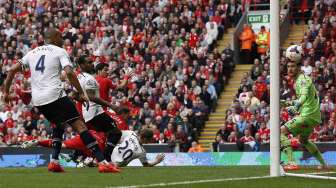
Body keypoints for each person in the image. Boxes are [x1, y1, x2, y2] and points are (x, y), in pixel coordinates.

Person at [3, 28, 118, 173]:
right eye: (61, 37)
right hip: (54, 95)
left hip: (38, 100)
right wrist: (81, 93)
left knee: (59, 124)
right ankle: (103, 162)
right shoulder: (59, 51)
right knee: (80, 126)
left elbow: (12, 70)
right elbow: (69, 72)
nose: (63, 40)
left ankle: (54, 161)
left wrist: (6, 92)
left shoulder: (31, 53)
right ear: (55, 37)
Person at [280, 47, 328, 171]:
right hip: (313, 116)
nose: (289, 69)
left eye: (292, 66)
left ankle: (291, 162)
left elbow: (303, 97)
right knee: (303, 139)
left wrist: (295, 106)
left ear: (298, 68)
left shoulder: (302, 80)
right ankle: (323, 164)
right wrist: (285, 103)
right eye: (288, 67)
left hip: (307, 115)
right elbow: (302, 99)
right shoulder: (300, 80)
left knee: (281, 131)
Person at [73, 54, 126, 162]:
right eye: (89, 62)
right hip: (96, 112)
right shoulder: (89, 79)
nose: (92, 64)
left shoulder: (78, 77)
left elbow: (74, 95)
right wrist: (112, 105)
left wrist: (82, 99)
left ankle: (80, 155)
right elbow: (92, 97)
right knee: (116, 133)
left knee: (97, 136)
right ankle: (105, 158)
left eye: (92, 62)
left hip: (87, 114)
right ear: (82, 65)